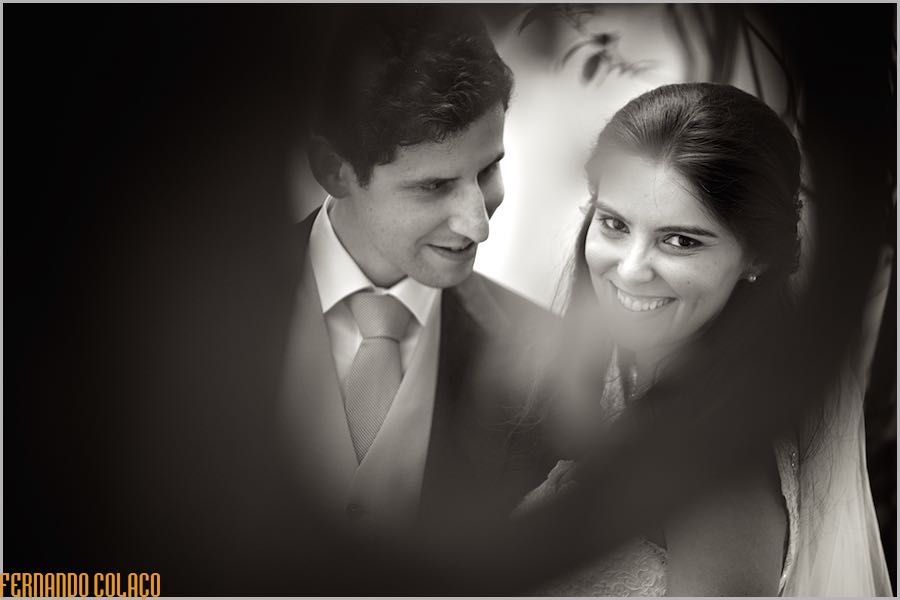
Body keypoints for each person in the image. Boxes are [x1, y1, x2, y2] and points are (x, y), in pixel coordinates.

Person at [516, 82, 892, 596]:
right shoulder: (611, 375)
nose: (630, 268)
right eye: (614, 223)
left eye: (681, 240)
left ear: (756, 258)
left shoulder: (716, 476)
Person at [281, 5, 555, 537]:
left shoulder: (541, 364)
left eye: (488, 169)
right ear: (335, 169)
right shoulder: (200, 313)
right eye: (434, 186)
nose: (478, 225)